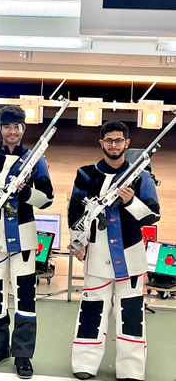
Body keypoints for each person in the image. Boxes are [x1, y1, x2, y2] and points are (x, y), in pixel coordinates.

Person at [67, 120, 160, 381]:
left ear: (127, 143)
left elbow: (152, 216)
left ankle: (130, 369)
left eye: (119, 140)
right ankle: (84, 363)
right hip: (96, 254)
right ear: (101, 143)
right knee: (91, 312)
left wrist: (131, 201)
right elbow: (75, 212)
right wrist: (78, 242)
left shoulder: (142, 176)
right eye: (109, 140)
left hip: (131, 256)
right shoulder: (85, 174)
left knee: (130, 315)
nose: (114, 145)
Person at [0, 105, 54, 379]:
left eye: (17, 126)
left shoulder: (35, 158)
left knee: (25, 296)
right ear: (1, 129)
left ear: (23, 129)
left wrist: (26, 192)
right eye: (7, 126)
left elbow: (48, 198)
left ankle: (23, 354)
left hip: (25, 238)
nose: (12, 131)